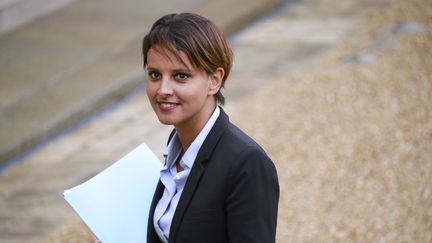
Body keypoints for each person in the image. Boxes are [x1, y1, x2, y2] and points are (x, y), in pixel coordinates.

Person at [142, 13, 279, 243]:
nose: (163, 89)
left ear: (214, 80)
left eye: (180, 76)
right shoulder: (177, 145)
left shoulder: (247, 163)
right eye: (155, 74)